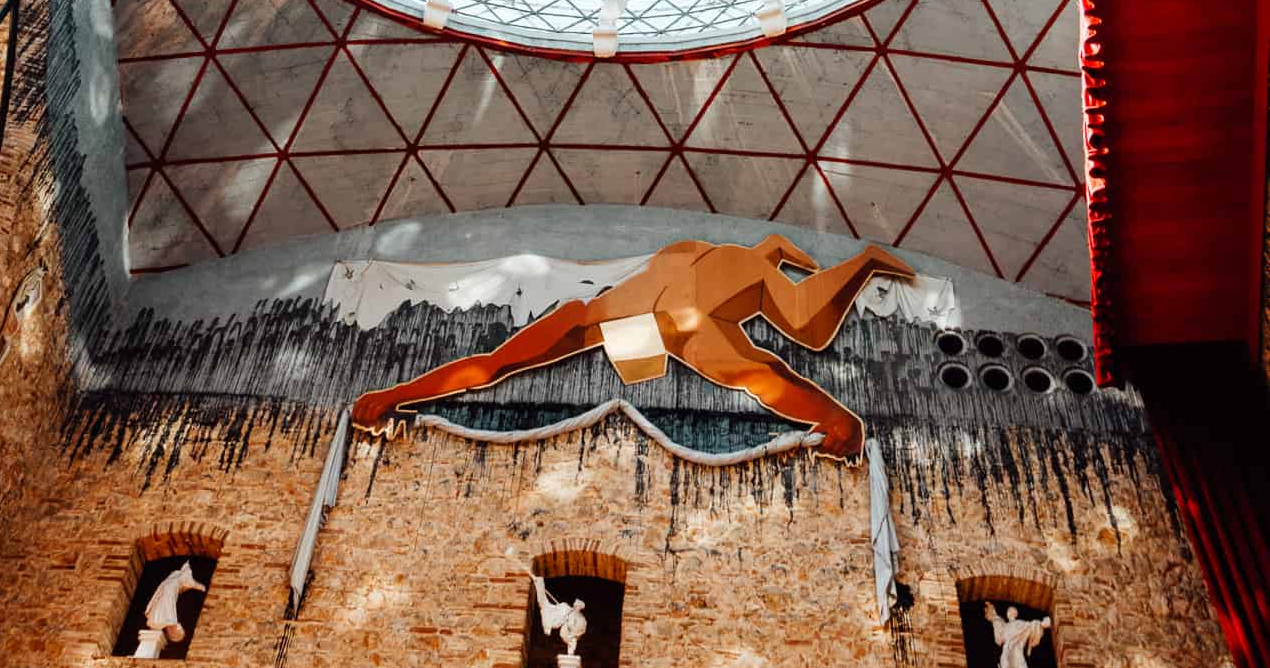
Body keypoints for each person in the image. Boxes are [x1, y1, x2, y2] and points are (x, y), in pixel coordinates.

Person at [353, 236, 915, 459]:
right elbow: (490, 367)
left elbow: (767, 377)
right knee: (753, 365)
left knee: (805, 329)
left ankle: (863, 260)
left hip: (700, 285)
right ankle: (778, 251)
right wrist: (396, 395)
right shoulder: (593, 318)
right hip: (672, 284)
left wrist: (843, 422)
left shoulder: (692, 322)